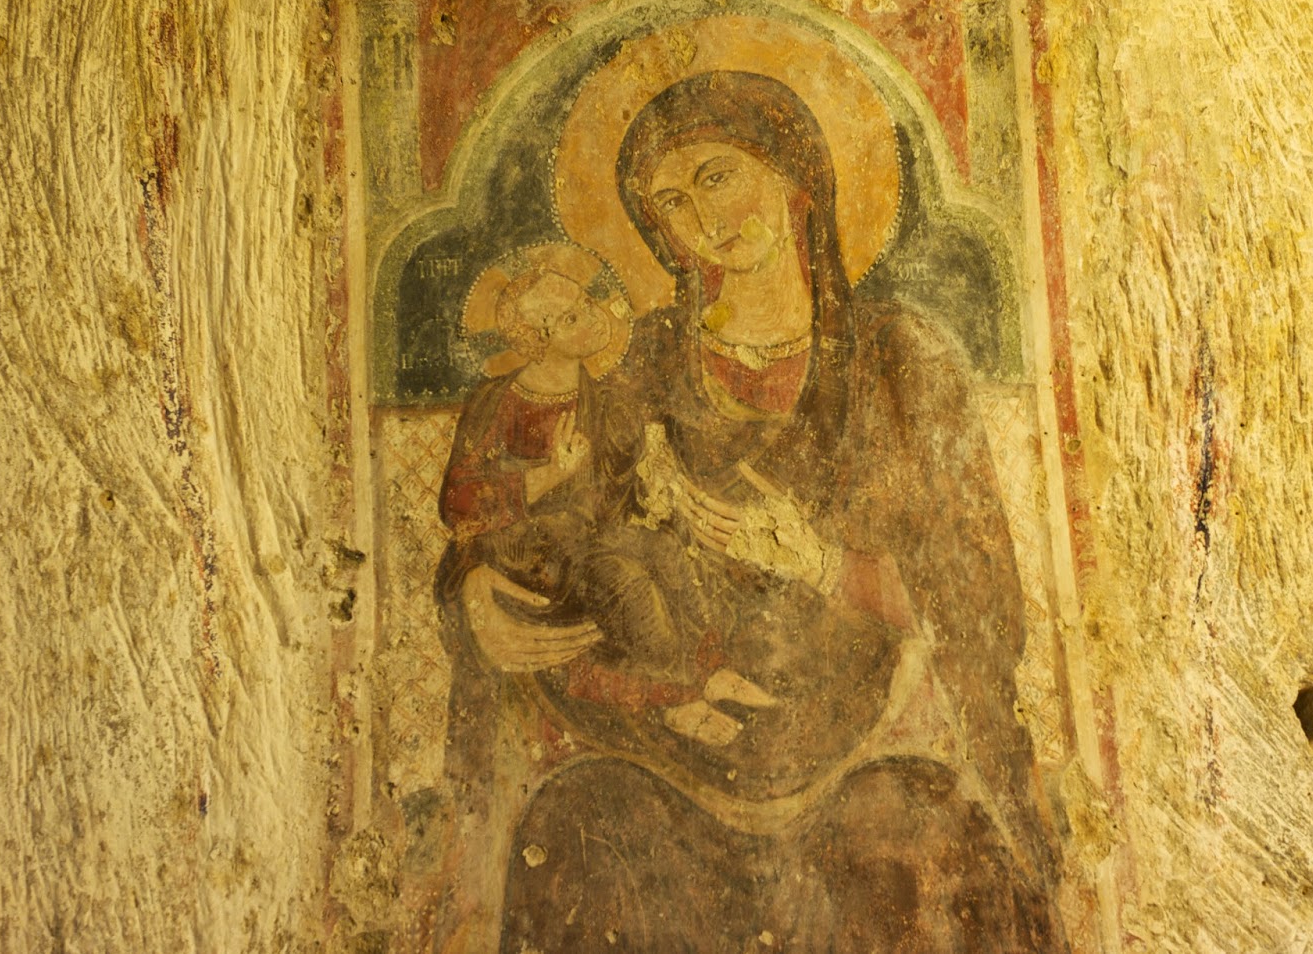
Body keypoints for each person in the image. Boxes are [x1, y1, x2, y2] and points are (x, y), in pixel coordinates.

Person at [447, 71, 1067, 953]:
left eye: (716, 176)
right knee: (573, 828)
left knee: (925, 842)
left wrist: (821, 564)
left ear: (795, 177)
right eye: (670, 201)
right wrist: (475, 596)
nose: (700, 217)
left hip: (869, 738)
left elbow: (978, 603)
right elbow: (556, 531)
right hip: (660, 754)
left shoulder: (902, 358)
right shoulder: (641, 363)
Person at [439, 263, 779, 752]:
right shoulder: (497, 402)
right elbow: (458, 504)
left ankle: (711, 669)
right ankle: (677, 696)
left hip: (589, 543)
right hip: (531, 556)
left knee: (664, 550)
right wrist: (551, 474)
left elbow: (627, 492)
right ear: (539, 340)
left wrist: (660, 476)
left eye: (586, 300)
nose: (594, 315)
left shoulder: (608, 403)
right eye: (572, 317)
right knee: (623, 577)